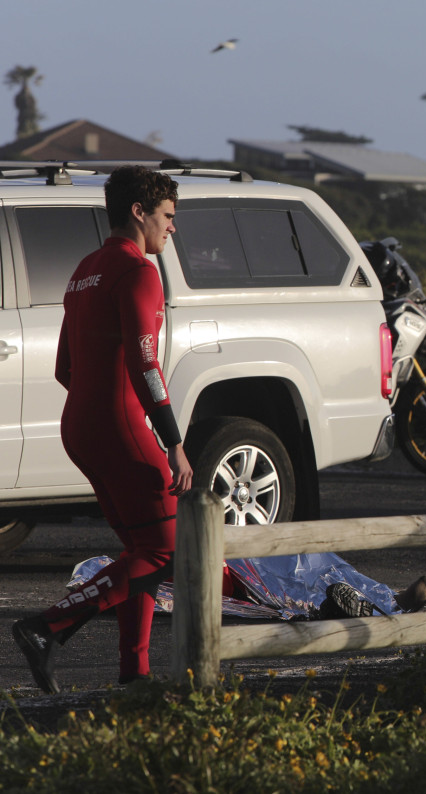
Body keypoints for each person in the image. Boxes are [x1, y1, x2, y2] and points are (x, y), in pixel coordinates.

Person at [11, 166, 240, 692]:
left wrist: (98, 410)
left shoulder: (85, 269)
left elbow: (63, 369)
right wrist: (174, 443)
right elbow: (145, 362)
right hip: (120, 426)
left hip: (81, 428)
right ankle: (47, 626)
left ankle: (133, 672)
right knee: (169, 549)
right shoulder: (139, 272)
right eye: (168, 216)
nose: (173, 228)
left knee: (143, 551)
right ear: (139, 212)